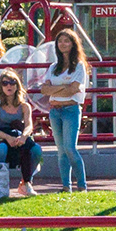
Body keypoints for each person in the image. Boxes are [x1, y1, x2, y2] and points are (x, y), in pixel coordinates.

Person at [41, 28, 90, 193]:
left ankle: (82, 185)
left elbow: (73, 90)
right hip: (55, 111)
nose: (63, 44)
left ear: (73, 44)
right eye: (60, 41)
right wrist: (63, 87)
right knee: (61, 150)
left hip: (71, 109)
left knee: (70, 148)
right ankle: (65, 186)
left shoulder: (79, 67)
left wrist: (54, 88)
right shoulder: (53, 67)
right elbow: (44, 90)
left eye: (66, 41)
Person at [0, 69, 41, 198]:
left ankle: (26, 181)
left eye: (12, 82)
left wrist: (23, 137)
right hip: (1, 137)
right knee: (2, 148)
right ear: (0, 86)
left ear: (17, 85)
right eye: (5, 83)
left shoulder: (25, 106)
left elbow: (29, 126)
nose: (9, 86)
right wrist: (8, 138)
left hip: (19, 136)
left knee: (36, 150)